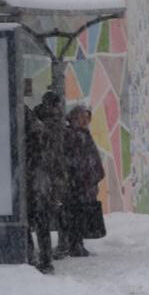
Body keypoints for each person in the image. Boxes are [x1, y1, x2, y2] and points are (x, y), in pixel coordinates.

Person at [28, 92, 67, 273]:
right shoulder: (53, 124)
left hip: (35, 176)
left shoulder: (36, 120)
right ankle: (45, 259)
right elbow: (55, 154)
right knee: (44, 219)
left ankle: (34, 257)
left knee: (33, 220)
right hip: (44, 176)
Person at [63, 105, 105, 257]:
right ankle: (74, 244)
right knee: (76, 214)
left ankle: (77, 243)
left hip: (85, 182)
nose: (85, 120)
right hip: (77, 183)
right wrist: (81, 176)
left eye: (87, 118)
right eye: (82, 117)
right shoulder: (72, 134)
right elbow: (75, 160)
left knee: (81, 214)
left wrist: (94, 175)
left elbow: (90, 158)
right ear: (75, 118)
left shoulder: (84, 134)